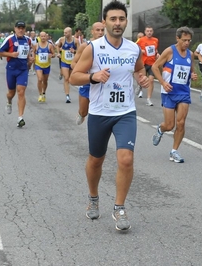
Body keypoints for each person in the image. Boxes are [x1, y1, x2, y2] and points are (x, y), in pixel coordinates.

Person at [69, 1, 149, 231]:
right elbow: (74, 77)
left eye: (121, 19)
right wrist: (93, 77)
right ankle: (93, 197)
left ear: (126, 21)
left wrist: (142, 79)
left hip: (125, 112)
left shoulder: (134, 48)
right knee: (96, 159)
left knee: (126, 159)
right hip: (99, 112)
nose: (117, 23)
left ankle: (119, 207)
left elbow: (139, 69)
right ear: (104, 23)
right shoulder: (93, 48)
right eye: (113, 19)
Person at [151, 26, 198, 163]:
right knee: (169, 125)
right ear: (177, 38)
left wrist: (193, 76)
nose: (187, 43)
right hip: (169, 92)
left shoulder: (190, 54)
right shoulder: (170, 51)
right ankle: (161, 129)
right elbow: (155, 67)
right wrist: (162, 82)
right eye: (184, 40)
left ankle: (174, 151)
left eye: (189, 40)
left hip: (183, 92)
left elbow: (191, 71)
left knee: (181, 123)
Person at [0, 21, 33, 128]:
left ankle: (20, 117)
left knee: (21, 92)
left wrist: (30, 58)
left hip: (23, 70)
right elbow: (0, 52)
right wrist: (11, 54)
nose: (21, 30)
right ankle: (9, 101)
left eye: (23, 28)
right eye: (19, 28)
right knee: (11, 93)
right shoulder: (9, 39)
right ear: (15, 28)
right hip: (11, 69)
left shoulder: (28, 40)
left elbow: (28, 53)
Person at [69, 22, 105, 125]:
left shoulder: (108, 45)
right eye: (97, 30)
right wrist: (83, 72)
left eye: (102, 30)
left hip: (102, 83)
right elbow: (73, 63)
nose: (100, 32)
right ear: (92, 32)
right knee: (84, 112)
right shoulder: (85, 45)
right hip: (87, 82)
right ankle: (81, 113)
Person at [136, 26, 159, 106]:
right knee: (142, 79)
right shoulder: (141, 40)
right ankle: (140, 86)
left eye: (151, 31)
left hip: (152, 63)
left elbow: (155, 50)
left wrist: (157, 54)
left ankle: (148, 99)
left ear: (152, 32)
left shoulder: (155, 40)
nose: (149, 32)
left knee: (151, 80)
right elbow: (135, 48)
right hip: (143, 63)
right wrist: (140, 51)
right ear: (145, 32)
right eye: (148, 31)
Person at [56, 27, 80, 103]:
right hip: (64, 62)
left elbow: (80, 52)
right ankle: (67, 96)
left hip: (72, 62)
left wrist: (74, 51)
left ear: (70, 33)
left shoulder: (76, 41)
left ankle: (67, 91)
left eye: (66, 33)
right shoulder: (62, 40)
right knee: (66, 78)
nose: (64, 34)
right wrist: (58, 53)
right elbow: (57, 46)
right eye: (64, 33)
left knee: (70, 79)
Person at [33, 31, 55, 103]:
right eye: (41, 36)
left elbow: (53, 54)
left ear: (46, 37)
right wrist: (33, 58)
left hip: (46, 65)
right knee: (40, 79)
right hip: (38, 65)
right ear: (39, 37)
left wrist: (51, 55)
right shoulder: (36, 45)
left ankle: (44, 92)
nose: (43, 38)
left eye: (44, 36)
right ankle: (40, 94)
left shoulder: (49, 45)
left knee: (45, 80)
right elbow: (33, 52)